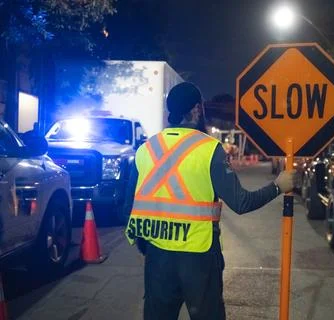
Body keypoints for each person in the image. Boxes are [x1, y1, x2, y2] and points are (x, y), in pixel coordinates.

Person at [124, 82, 296, 320]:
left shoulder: (145, 149)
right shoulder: (209, 149)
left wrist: (150, 246)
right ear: (196, 110)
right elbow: (241, 202)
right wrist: (279, 186)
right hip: (199, 258)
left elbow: (128, 209)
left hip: (157, 258)